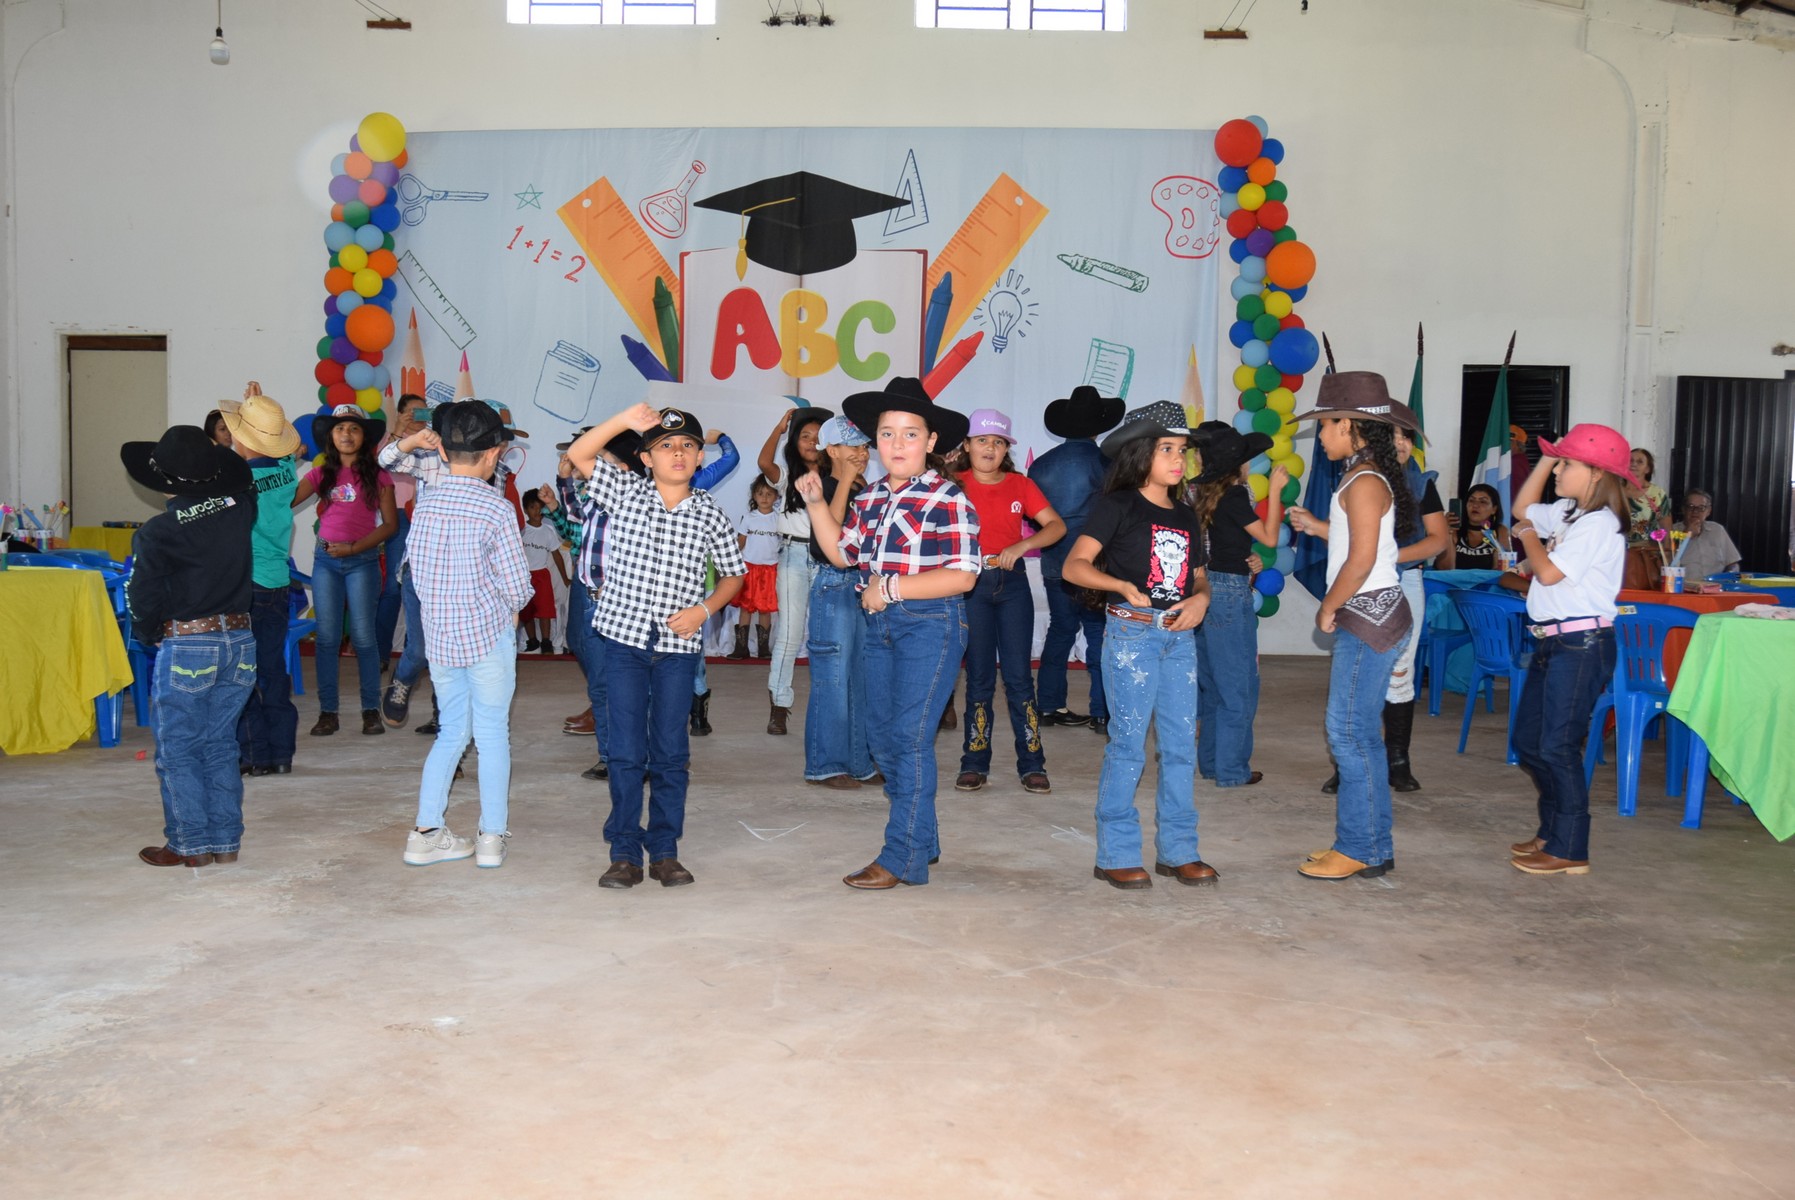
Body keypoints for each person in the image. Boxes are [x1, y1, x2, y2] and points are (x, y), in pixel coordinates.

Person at [800, 377, 979, 890]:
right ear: (873, 442)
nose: (897, 444)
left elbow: (965, 574)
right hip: (879, 624)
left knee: (908, 737)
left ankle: (902, 856)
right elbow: (843, 553)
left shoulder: (949, 498)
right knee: (882, 738)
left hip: (930, 624)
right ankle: (923, 838)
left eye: (909, 434)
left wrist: (893, 589)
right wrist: (816, 503)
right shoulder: (871, 498)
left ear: (931, 443)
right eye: (886, 434)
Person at [566, 404, 746, 890]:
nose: (678, 453)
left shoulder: (708, 510)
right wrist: (624, 419)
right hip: (623, 643)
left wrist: (704, 611)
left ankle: (664, 848)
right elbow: (582, 452)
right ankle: (624, 850)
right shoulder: (624, 492)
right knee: (625, 752)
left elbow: (734, 574)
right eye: (665, 446)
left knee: (670, 752)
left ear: (699, 455)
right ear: (646, 458)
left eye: (688, 444)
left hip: (676, 650)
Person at [1061, 401, 1213, 890]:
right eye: (1167, 449)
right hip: (1132, 635)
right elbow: (1074, 565)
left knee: (1179, 747)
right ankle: (1117, 853)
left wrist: (1203, 601)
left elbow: (1199, 578)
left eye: (1182, 450)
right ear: (1140, 453)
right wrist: (1120, 587)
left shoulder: (1187, 515)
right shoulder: (1118, 505)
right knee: (1128, 746)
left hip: (1179, 637)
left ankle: (1178, 850)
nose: (1177, 459)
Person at [1287, 373, 1414, 882]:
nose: (1320, 435)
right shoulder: (1363, 476)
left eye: (1325, 424)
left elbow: (1360, 560)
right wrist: (1320, 528)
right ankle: (1370, 843)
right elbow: (1359, 541)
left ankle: (1359, 845)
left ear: (1352, 426)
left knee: (1348, 733)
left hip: (1366, 615)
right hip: (1376, 611)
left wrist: (1327, 607)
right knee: (1360, 735)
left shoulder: (1362, 481)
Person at [401, 401, 534, 870]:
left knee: (450, 732)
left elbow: (416, 574)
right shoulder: (495, 509)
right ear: (494, 454)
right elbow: (518, 588)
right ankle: (491, 839)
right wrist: (508, 606)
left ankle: (425, 832)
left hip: (441, 640)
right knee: (493, 733)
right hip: (488, 637)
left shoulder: (426, 505)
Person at [122, 425, 258, 868]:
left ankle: (189, 842)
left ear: (164, 482)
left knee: (179, 747)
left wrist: (146, 634)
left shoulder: (157, 532)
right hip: (240, 639)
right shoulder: (240, 508)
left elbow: (143, 597)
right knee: (220, 742)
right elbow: (244, 484)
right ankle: (225, 842)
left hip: (189, 643)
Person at [1507, 424, 1631, 876]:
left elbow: (1548, 572)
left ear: (1597, 474)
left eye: (1567, 464)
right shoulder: (1569, 512)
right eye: (1559, 462)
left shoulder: (1599, 524)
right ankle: (1551, 832)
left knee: (1558, 746)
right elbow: (1522, 507)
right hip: (1554, 642)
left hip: (1582, 646)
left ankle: (1571, 848)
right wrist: (1546, 455)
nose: (1558, 470)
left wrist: (1526, 536)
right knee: (1529, 742)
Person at [953, 408, 1065, 795]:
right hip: (970, 587)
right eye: (982, 440)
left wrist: (1023, 544)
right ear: (967, 446)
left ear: (1006, 450)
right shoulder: (953, 484)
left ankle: (1032, 763)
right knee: (980, 678)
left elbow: (1057, 526)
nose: (990, 448)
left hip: (1013, 585)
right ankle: (973, 761)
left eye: (998, 442)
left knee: (1019, 678)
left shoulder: (1020, 485)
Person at [545, 427, 646, 783]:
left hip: (620, 604)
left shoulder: (634, 497)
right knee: (601, 685)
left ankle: (631, 757)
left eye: (600, 462)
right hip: (592, 599)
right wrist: (564, 482)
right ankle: (609, 756)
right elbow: (576, 511)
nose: (592, 469)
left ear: (624, 469)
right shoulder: (597, 497)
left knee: (623, 685)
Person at [1186, 421, 1281, 789]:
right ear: (1238, 465)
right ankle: (1231, 770)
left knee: (1212, 684)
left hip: (1202, 589)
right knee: (1239, 685)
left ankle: (1211, 763)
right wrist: (1274, 491)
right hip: (1228, 593)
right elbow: (1270, 537)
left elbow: (1219, 545)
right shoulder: (1237, 495)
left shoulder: (1199, 494)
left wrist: (1248, 557)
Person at [292, 404, 397, 736]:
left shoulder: (378, 475)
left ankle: (370, 710)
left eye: (353, 429)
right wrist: (287, 460)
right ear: (330, 437)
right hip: (326, 563)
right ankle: (328, 713)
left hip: (362, 562)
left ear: (364, 437)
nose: (346, 434)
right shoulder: (320, 473)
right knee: (326, 638)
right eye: (340, 429)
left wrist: (354, 548)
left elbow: (391, 525)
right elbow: (288, 501)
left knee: (365, 639)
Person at [1030, 385, 1121, 735]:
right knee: (1099, 633)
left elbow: (1033, 517)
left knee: (1061, 629)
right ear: (1098, 427)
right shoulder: (1107, 465)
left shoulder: (1041, 465)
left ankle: (1050, 705)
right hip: (1096, 564)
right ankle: (1102, 712)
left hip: (1055, 562)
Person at [222, 383, 301, 777]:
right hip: (277, 582)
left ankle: (253, 754)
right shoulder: (287, 471)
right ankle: (281, 754)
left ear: (240, 436)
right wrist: (260, 402)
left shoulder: (236, 483)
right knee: (272, 668)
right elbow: (287, 451)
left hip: (245, 584)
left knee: (242, 672)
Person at [801, 416, 879, 790]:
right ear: (831, 450)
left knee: (861, 679)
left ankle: (860, 762)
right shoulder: (823, 486)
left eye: (865, 447)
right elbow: (829, 543)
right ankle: (825, 764)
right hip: (834, 587)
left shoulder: (867, 488)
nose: (861, 454)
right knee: (832, 679)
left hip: (863, 587)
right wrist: (846, 479)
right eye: (853, 447)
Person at [758, 406, 833, 735]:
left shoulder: (836, 478)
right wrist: (779, 427)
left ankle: (828, 704)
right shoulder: (787, 475)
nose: (812, 442)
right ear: (794, 441)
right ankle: (779, 704)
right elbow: (764, 463)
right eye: (805, 436)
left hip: (826, 556)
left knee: (826, 635)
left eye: (818, 437)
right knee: (789, 634)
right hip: (793, 554)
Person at [373, 393, 429, 669]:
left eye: (423, 412)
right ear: (401, 413)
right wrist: (397, 429)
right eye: (413, 412)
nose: (419, 417)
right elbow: (380, 466)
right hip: (397, 516)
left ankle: (415, 655)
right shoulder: (388, 441)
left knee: (424, 589)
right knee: (393, 589)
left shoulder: (434, 441)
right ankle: (381, 653)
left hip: (426, 517)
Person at [729, 475, 781, 661]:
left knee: (765, 609)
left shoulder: (779, 519)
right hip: (749, 568)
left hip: (770, 569)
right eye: (760, 494)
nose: (764, 498)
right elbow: (740, 542)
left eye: (769, 494)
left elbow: (783, 543)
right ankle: (741, 648)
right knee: (745, 607)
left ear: (776, 496)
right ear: (754, 496)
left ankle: (763, 649)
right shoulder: (749, 518)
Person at [517, 489, 569, 654]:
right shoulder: (521, 531)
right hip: (525, 576)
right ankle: (532, 641)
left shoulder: (548, 531)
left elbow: (557, 556)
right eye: (532, 507)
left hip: (542, 575)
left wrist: (565, 578)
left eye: (540, 507)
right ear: (525, 509)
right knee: (527, 611)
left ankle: (546, 641)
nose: (537, 511)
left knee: (545, 610)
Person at [1623, 447, 1671, 589]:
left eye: (1639, 462)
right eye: (1630, 460)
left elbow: (1666, 529)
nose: (1634, 464)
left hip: (1646, 556)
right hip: (1616, 554)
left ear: (1647, 469)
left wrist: (1668, 562)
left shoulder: (1657, 493)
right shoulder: (1614, 490)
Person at [1672, 488, 1742, 581]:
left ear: (1708, 511)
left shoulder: (1717, 530)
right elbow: (1667, 562)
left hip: (1717, 589)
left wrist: (1730, 575)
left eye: (1701, 508)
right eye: (1691, 506)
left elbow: (1733, 563)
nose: (1695, 511)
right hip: (1683, 589)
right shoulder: (1672, 530)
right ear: (1683, 509)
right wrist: (1686, 535)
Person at [1439, 483, 1510, 570]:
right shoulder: (1454, 529)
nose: (1475, 505)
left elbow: (1500, 570)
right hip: (1453, 582)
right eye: (1471, 500)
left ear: (1494, 509)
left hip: (1487, 582)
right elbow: (1444, 568)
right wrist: (1447, 531)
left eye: (1483, 501)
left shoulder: (1499, 531)